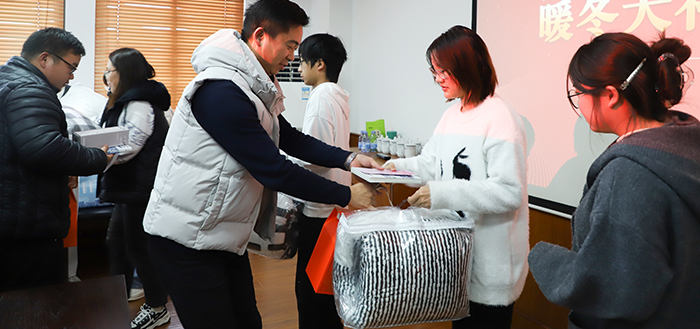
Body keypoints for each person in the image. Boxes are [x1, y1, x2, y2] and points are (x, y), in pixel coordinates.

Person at [143, 0, 381, 329]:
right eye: (290, 45)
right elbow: (274, 169)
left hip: (222, 234)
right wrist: (346, 195)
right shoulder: (221, 90)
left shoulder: (254, 88)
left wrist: (349, 158)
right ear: (259, 36)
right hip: (186, 238)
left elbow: (291, 137)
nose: (293, 56)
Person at [528, 32, 700, 328]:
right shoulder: (683, 145)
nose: (579, 106)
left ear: (610, 95)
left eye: (578, 94)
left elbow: (610, 289)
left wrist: (541, 256)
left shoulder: (629, 174)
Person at [384, 25, 529, 329]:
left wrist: (441, 193)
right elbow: (430, 163)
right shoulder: (451, 115)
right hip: (456, 258)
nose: (438, 79)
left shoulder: (500, 117)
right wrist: (392, 169)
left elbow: (508, 191)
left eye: (444, 72)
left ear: (467, 67)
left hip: (491, 267)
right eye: (434, 72)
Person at [0, 27, 111, 292]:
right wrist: (97, 157)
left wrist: (63, 169)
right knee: (35, 301)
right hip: (26, 224)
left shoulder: (8, 80)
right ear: (45, 59)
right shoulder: (31, 89)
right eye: (71, 67)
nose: (71, 76)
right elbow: (44, 147)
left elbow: (21, 146)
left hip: (13, 214)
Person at [100, 48, 171, 329]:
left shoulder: (140, 103)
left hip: (140, 190)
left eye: (109, 71)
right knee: (118, 243)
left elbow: (128, 147)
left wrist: (94, 155)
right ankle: (117, 302)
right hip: (130, 189)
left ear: (124, 73)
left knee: (139, 250)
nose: (106, 76)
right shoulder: (129, 100)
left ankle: (157, 307)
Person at [292, 33, 351, 328]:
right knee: (326, 290)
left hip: (318, 209)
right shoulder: (338, 97)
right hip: (334, 208)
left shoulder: (320, 96)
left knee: (310, 293)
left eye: (302, 62)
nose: (298, 68)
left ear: (319, 64)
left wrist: (287, 165)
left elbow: (314, 156)